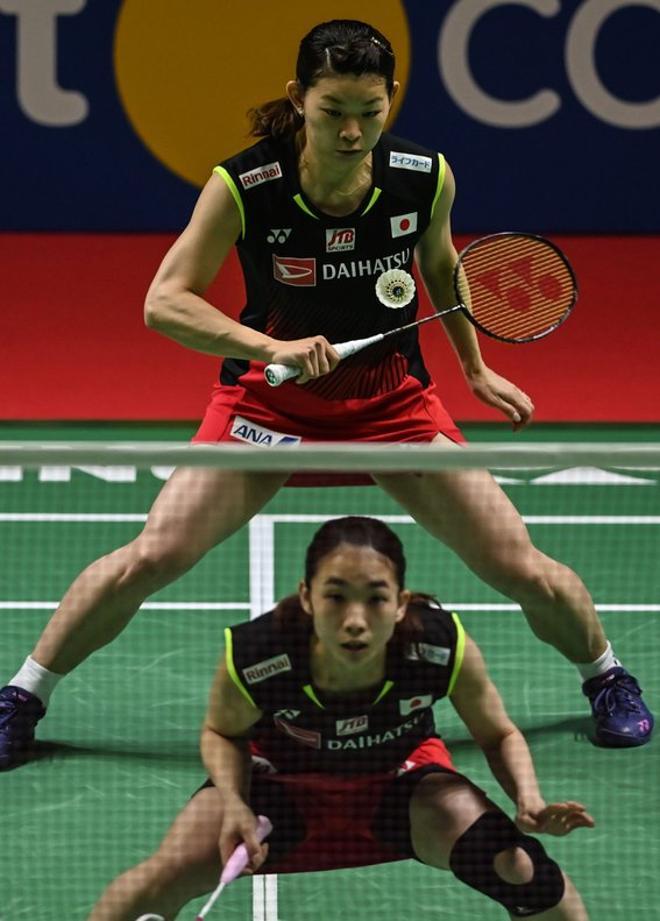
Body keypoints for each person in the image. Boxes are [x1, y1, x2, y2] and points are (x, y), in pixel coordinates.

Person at [0, 19, 652, 770]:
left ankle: (607, 676)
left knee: (518, 563)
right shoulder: (247, 186)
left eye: (370, 112)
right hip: (267, 411)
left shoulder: (423, 175)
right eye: (332, 110)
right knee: (152, 554)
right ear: (298, 98)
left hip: (391, 409)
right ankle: (23, 694)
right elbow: (165, 301)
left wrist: (473, 367)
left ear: (392, 100)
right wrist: (268, 348)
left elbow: (441, 266)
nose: (352, 131)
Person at [88, 517, 594, 920]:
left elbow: (498, 732)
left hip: (402, 789)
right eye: (336, 596)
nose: (355, 619)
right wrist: (236, 804)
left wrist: (527, 799)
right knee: (158, 879)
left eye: (375, 598)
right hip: (277, 790)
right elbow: (222, 731)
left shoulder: (436, 646)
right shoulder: (260, 653)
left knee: (522, 869)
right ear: (307, 596)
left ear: (399, 604)